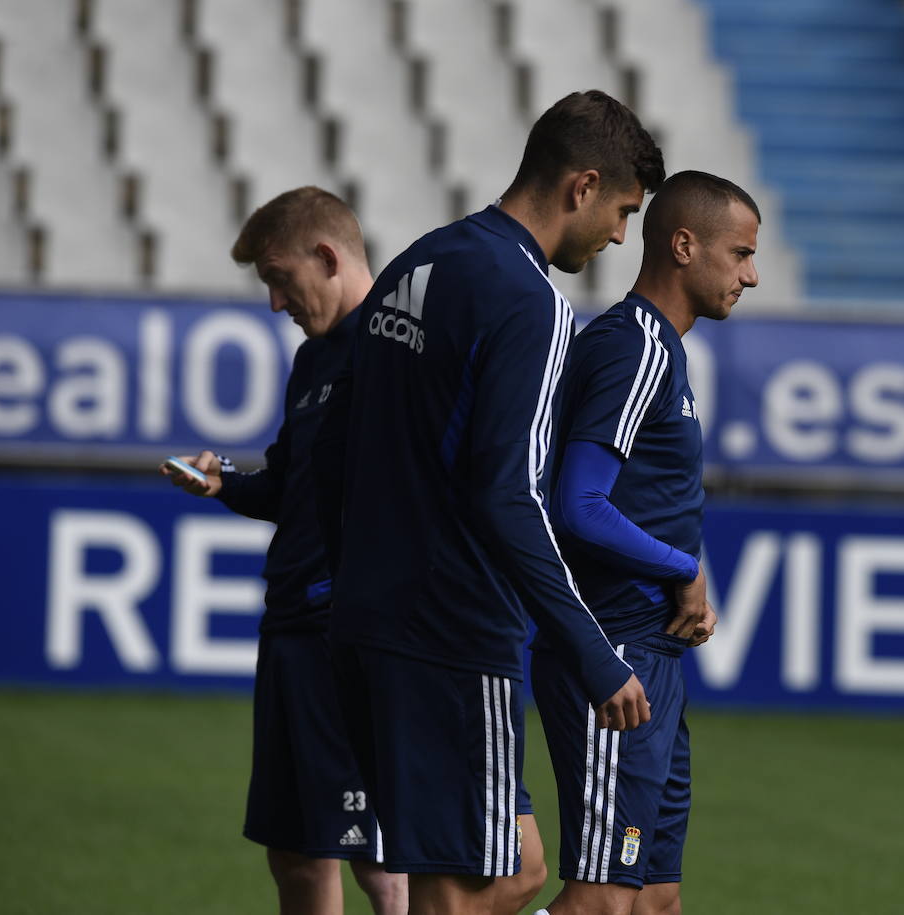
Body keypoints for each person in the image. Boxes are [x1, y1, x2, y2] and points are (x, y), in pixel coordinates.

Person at [315, 90, 665, 915]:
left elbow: (336, 447)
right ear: (582, 185)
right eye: (621, 210)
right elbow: (510, 493)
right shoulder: (534, 304)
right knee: (467, 886)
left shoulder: (420, 261)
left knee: (513, 868)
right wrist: (592, 650)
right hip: (452, 626)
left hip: (371, 620)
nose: (620, 235)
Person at [159, 186, 408, 915]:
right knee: (297, 851)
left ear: (327, 257)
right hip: (291, 634)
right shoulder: (313, 362)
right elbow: (289, 487)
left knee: (378, 859)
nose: (275, 302)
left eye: (278, 278)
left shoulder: (396, 349)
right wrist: (224, 483)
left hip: (349, 637)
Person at [532, 170, 759, 915]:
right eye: (741, 254)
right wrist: (684, 565)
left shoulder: (662, 349)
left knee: (655, 898)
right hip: (614, 653)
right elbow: (579, 504)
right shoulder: (635, 347)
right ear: (685, 245)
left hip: (649, 659)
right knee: (602, 898)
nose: (751, 275)